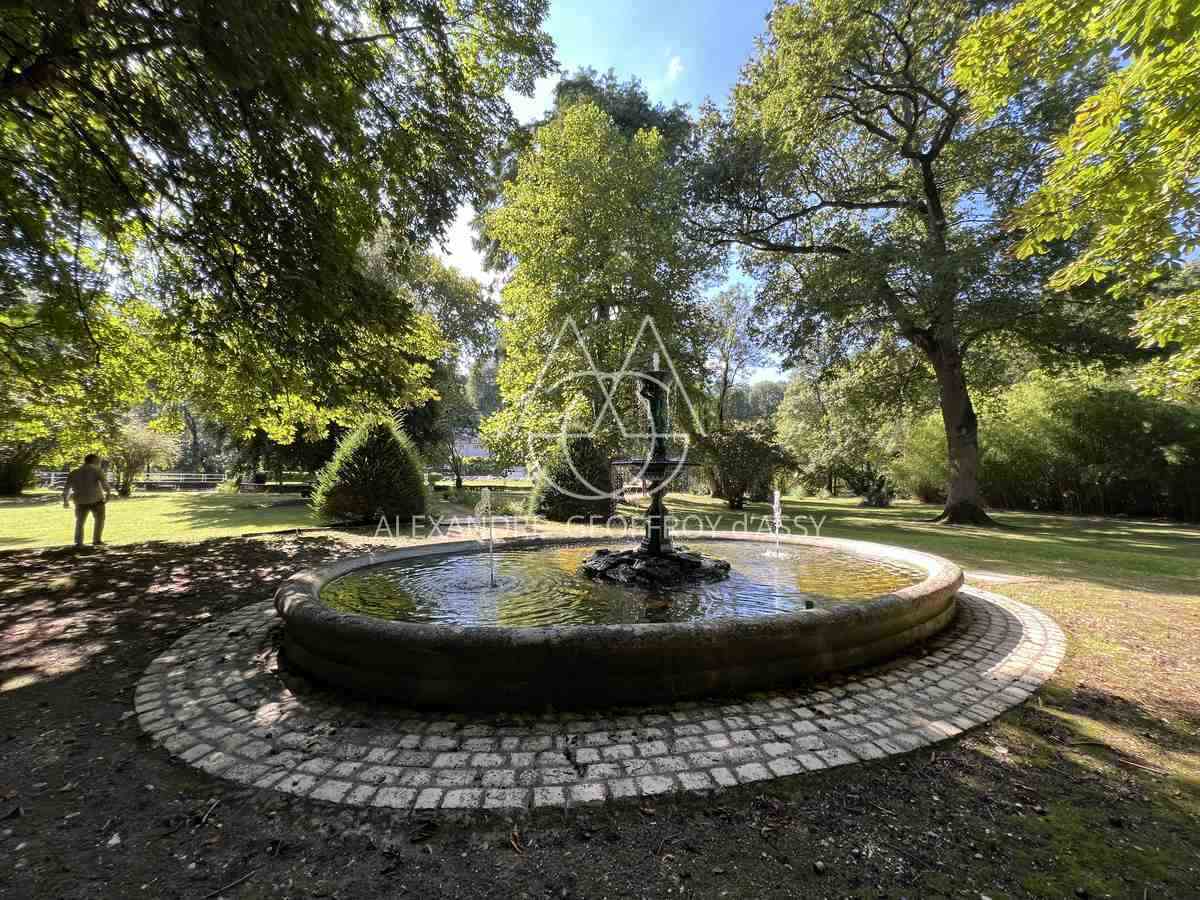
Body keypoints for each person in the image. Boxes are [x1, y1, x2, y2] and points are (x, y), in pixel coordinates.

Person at [62, 453, 112, 547]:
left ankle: (79, 542)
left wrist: (65, 500)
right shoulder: (97, 470)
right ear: (94, 460)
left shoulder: (74, 472)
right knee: (99, 520)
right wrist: (108, 493)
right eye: (98, 460)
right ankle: (97, 540)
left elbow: (67, 488)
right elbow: (104, 483)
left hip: (80, 500)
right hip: (96, 499)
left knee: (80, 522)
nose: (99, 462)